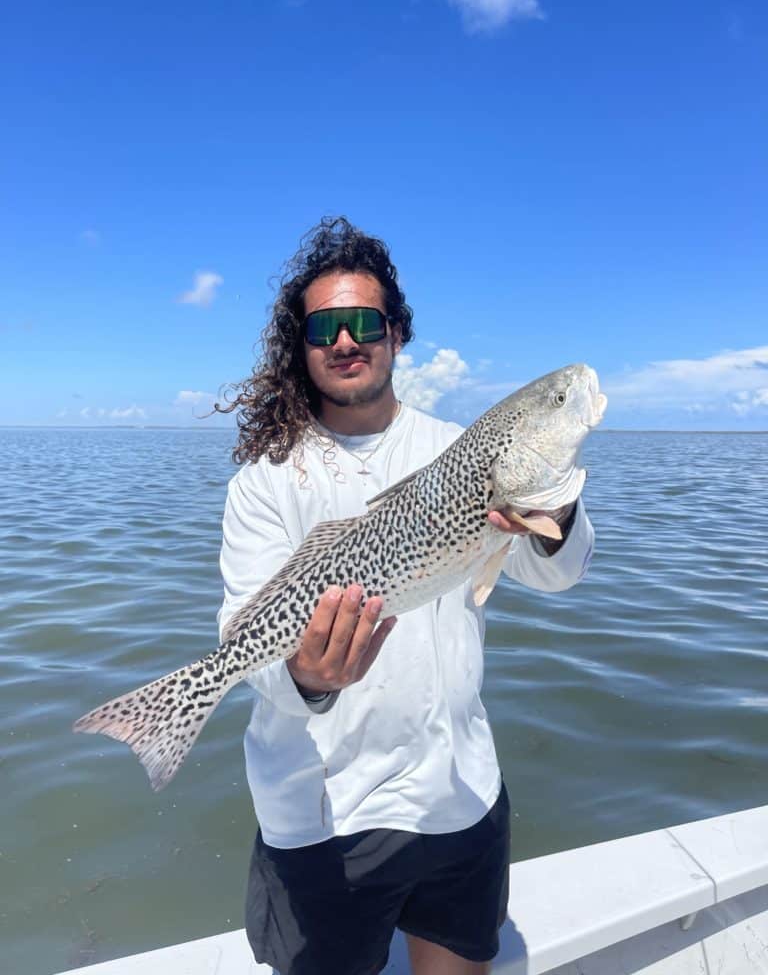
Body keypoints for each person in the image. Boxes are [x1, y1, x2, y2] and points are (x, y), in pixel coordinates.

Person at [215, 217, 594, 975]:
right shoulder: (266, 480)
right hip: (326, 819)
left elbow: (558, 573)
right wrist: (305, 676)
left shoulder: (462, 448)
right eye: (327, 325)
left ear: (395, 334)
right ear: (304, 344)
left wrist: (551, 519)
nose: (347, 340)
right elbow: (243, 640)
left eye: (365, 323)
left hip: (460, 795)